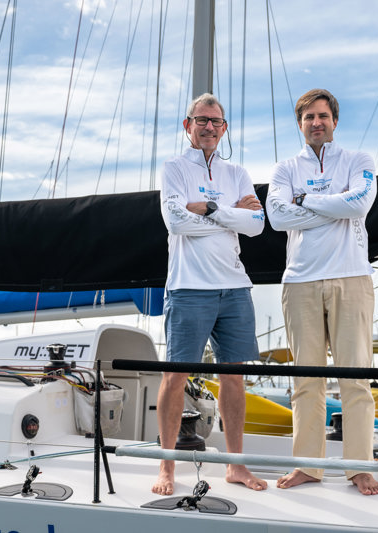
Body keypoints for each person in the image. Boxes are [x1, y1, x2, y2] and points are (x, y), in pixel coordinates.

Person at [266, 88, 378, 495]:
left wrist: (305, 200)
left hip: (352, 277)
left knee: (356, 380)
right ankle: (307, 467)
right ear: (300, 124)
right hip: (300, 281)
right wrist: (333, 205)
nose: (316, 123)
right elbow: (277, 216)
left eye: (322, 116)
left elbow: (359, 204)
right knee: (306, 381)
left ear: (334, 120)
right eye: (308, 117)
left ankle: (359, 468)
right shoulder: (285, 169)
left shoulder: (358, 161)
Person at [154, 93, 267, 496]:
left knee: (233, 377)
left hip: (234, 287)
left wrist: (210, 208)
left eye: (215, 122)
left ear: (224, 128)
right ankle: (167, 467)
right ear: (188, 125)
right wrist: (232, 214)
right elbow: (175, 221)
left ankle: (236, 465)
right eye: (201, 120)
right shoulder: (174, 168)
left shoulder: (237, 172)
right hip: (188, 287)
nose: (208, 127)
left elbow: (256, 225)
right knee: (175, 376)